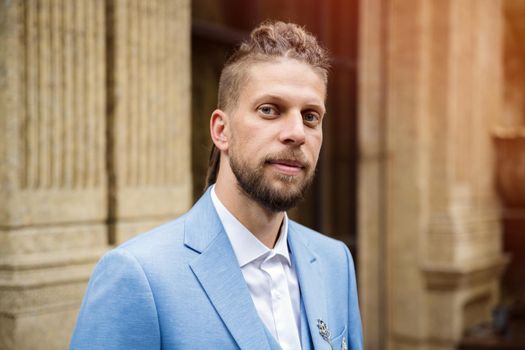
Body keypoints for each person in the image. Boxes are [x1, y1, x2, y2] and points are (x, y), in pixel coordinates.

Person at [70, 21, 362, 350]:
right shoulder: (138, 275)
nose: (297, 132)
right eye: (270, 110)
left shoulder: (335, 261)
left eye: (311, 116)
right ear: (221, 130)